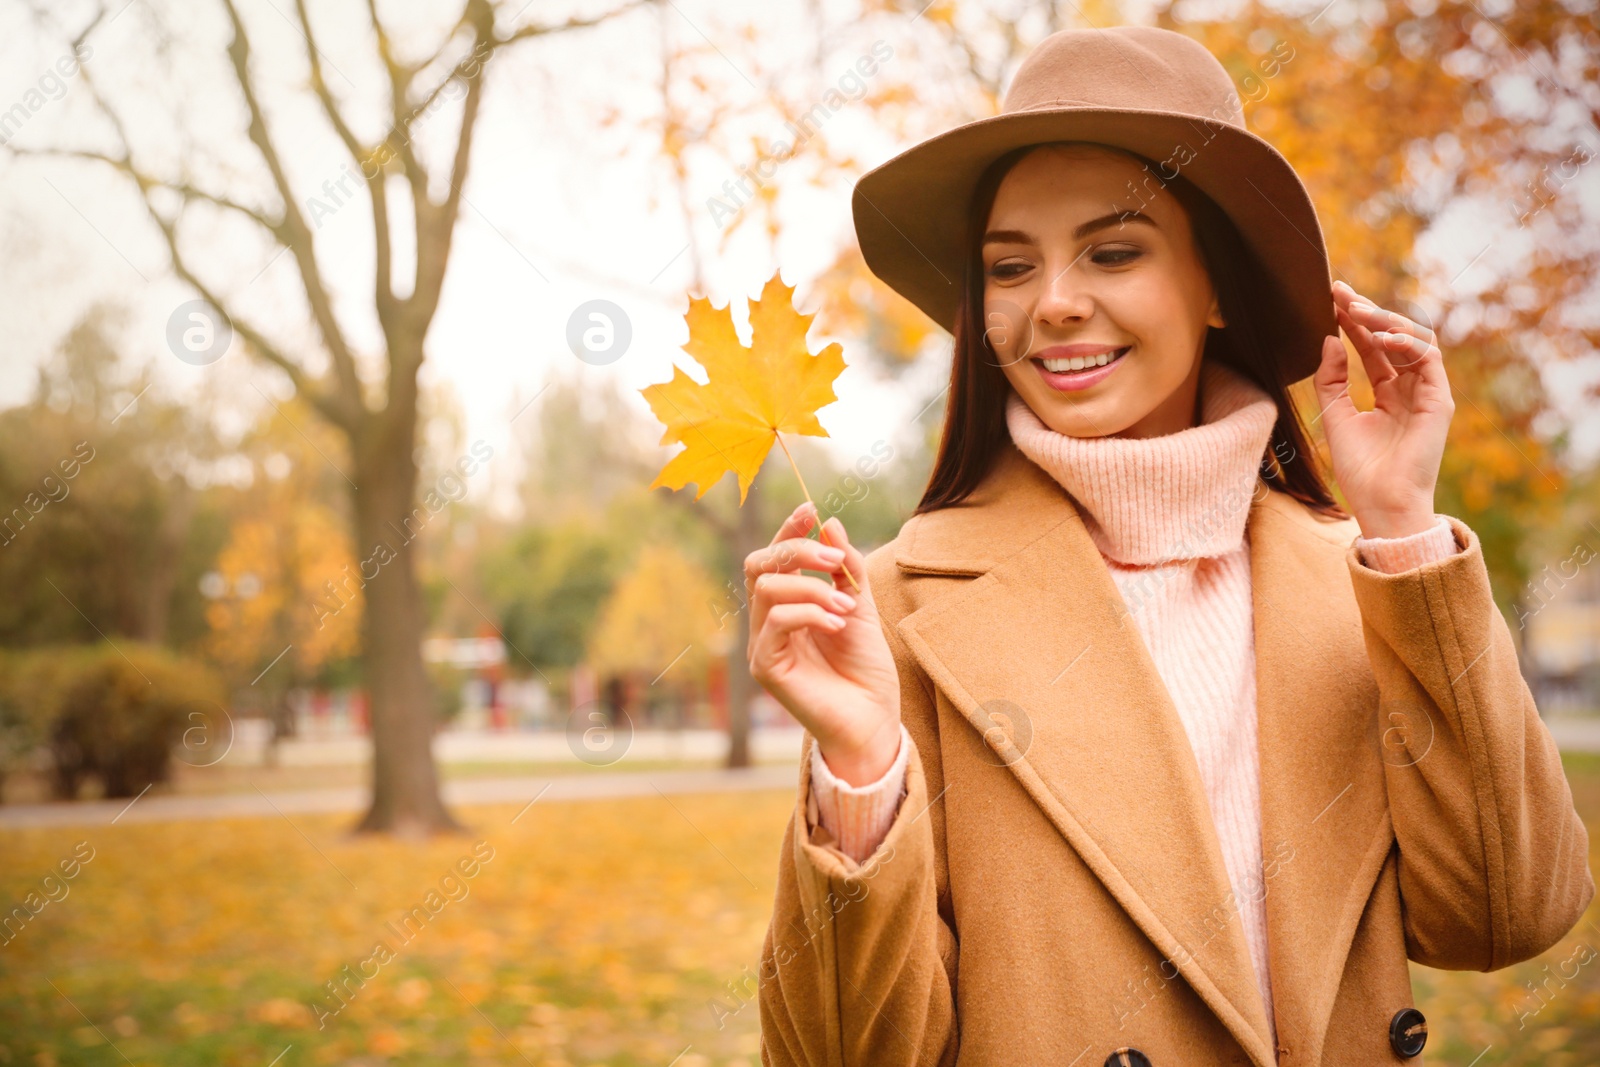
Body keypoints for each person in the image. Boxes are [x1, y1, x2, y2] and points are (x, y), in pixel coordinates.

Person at [743, 25, 1594, 1067]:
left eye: (1112, 250)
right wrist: (862, 769)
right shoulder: (897, 609)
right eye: (1010, 266)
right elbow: (839, 1055)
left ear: (1218, 284)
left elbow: (1509, 914)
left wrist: (1407, 531)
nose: (1052, 301)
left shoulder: (1362, 580)